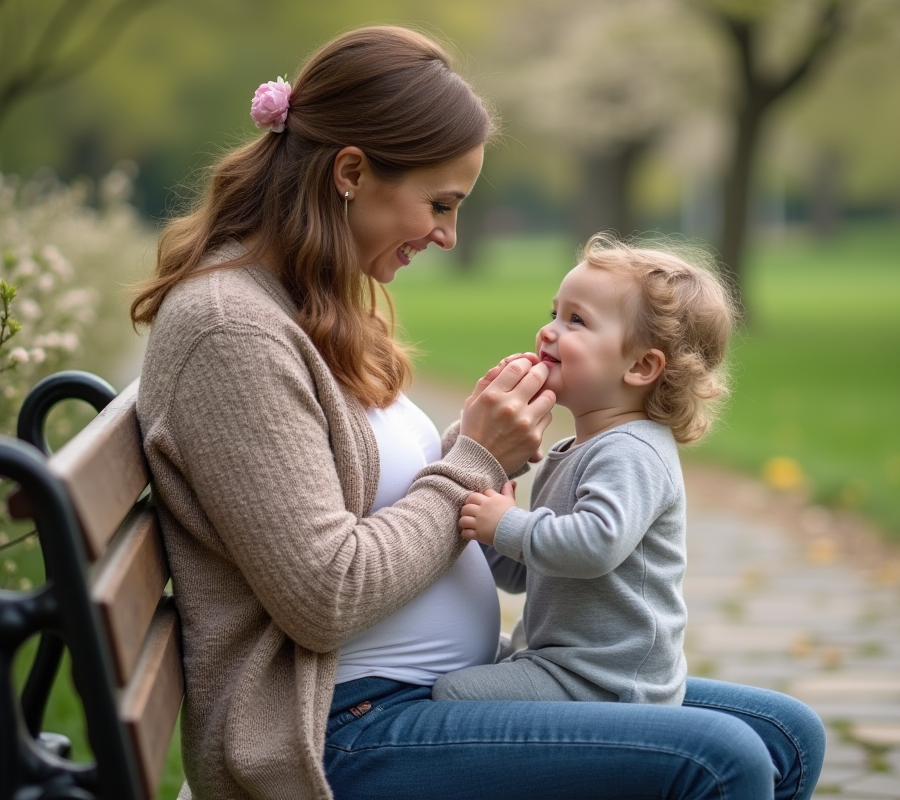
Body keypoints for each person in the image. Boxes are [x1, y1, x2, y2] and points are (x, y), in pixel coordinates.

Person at [131, 24, 825, 800]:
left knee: (784, 737)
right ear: (352, 172)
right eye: (440, 202)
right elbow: (325, 597)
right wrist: (474, 461)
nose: (448, 234)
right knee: (721, 760)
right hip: (338, 730)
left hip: (433, 689)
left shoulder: (305, 307)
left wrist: (474, 442)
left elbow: (378, 499)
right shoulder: (233, 329)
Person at [432, 234, 730, 707]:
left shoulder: (633, 452)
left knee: (454, 696)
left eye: (577, 321)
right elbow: (531, 570)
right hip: (564, 667)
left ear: (640, 366)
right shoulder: (577, 449)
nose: (549, 331)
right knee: (460, 666)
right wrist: (478, 504)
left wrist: (506, 523)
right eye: (554, 313)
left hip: (607, 683)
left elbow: (594, 545)